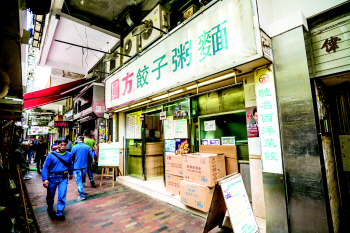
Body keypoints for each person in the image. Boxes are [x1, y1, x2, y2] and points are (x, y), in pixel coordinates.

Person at [42, 138, 73, 220]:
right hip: (52, 177)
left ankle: (60, 212)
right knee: (50, 195)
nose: (63, 147)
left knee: (62, 195)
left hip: (63, 178)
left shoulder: (69, 155)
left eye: (64, 145)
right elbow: (45, 168)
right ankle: (50, 207)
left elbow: (70, 165)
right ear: (57, 145)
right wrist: (45, 179)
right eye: (61, 145)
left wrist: (71, 173)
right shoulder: (51, 155)